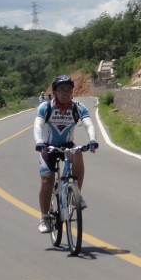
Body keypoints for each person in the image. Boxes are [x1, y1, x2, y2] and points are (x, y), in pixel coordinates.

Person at [34, 74, 98, 233]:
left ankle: (76, 193)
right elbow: (37, 125)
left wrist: (92, 139)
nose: (66, 92)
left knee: (77, 153)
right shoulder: (46, 107)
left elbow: (89, 124)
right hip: (47, 146)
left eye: (69, 89)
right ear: (54, 92)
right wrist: (39, 142)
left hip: (67, 144)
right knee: (47, 179)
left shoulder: (77, 107)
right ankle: (45, 217)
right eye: (62, 89)